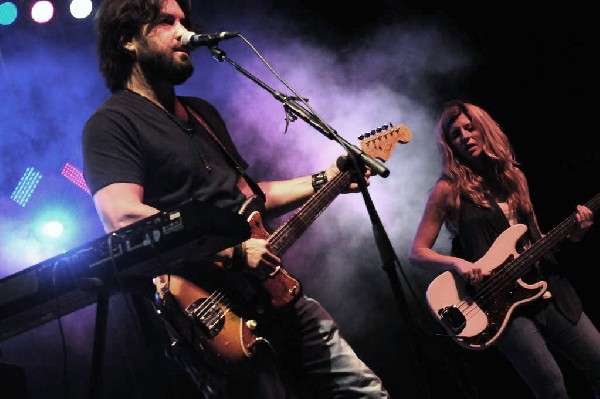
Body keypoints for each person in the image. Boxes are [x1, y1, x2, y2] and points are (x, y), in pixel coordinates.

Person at [81, 0, 390, 398]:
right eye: (166, 22)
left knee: (366, 393)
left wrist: (325, 178)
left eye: (184, 21)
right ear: (127, 39)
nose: (184, 31)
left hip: (273, 291)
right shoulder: (111, 124)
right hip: (212, 316)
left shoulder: (201, 114)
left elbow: (251, 197)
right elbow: (123, 218)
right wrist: (232, 253)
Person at [408, 100, 600, 398]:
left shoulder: (514, 177)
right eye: (456, 135)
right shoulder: (447, 190)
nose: (465, 138)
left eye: (469, 129)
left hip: (546, 287)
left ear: (483, 129)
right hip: (500, 302)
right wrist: (458, 264)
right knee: (551, 387)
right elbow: (417, 252)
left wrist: (575, 235)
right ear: (450, 145)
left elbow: (538, 241)